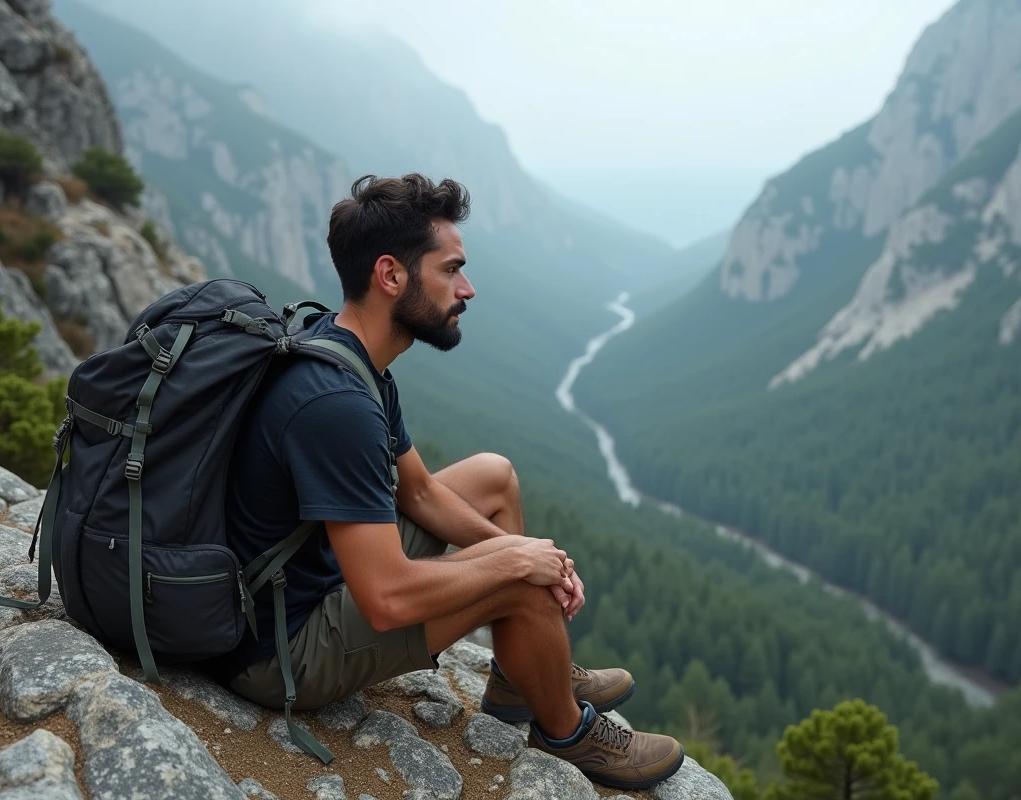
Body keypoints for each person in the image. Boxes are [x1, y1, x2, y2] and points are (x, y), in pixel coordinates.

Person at [214, 173, 685, 789]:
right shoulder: (336, 404)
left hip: (301, 580)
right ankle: (566, 728)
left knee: (493, 477)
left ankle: (524, 671)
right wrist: (517, 566)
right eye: (451, 269)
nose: (468, 288)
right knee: (516, 578)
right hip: (280, 652)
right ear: (391, 276)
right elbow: (386, 599)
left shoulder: (353, 358)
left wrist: (524, 553)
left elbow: (420, 492)